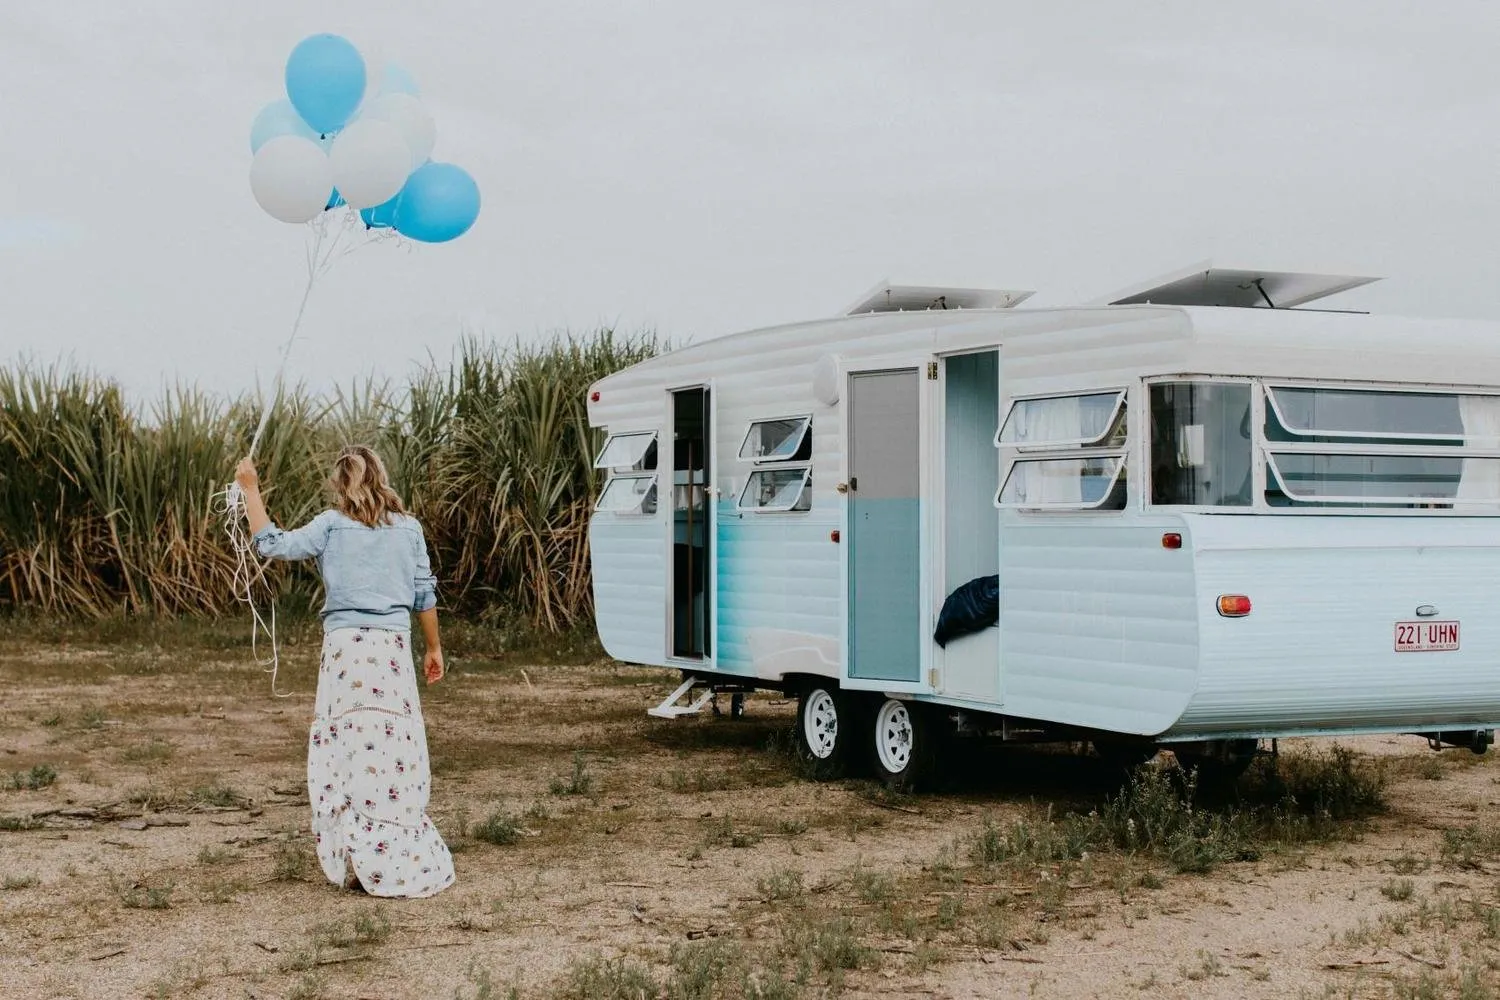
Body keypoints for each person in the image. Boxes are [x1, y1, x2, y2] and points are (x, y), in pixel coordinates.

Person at [235, 445, 455, 899]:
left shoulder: (331, 525)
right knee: (393, 748)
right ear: (381, 476)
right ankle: (392, 849)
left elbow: (270, 544)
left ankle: (357, 853)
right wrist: (433, 647)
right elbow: (424, 595)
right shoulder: (409, 529)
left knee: (349, 749)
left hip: (346, 653)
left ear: (341, 483)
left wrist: (250, 490)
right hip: (391, 651)